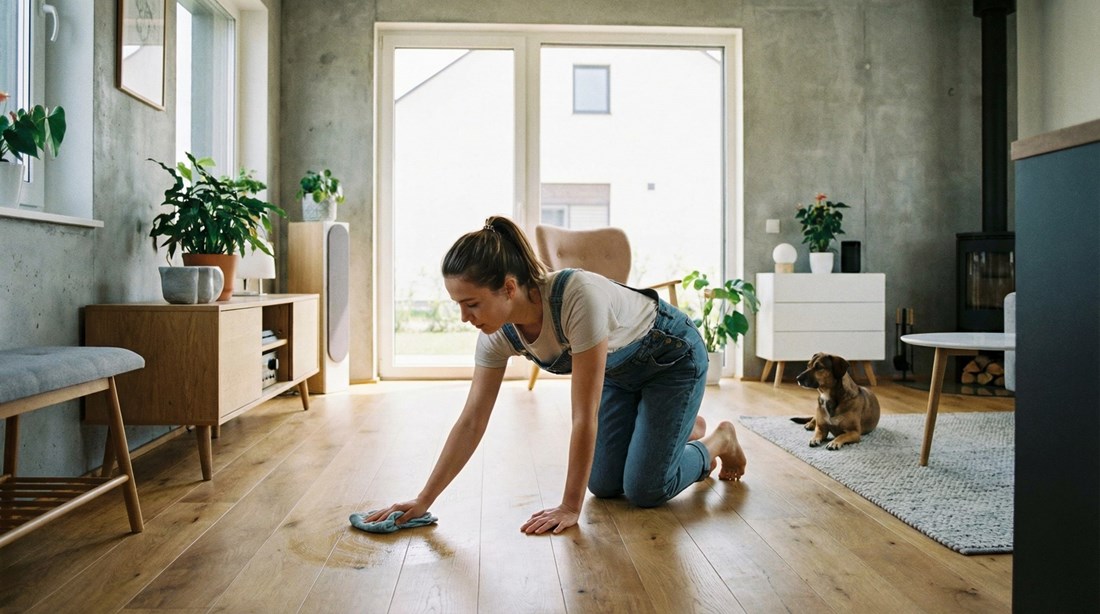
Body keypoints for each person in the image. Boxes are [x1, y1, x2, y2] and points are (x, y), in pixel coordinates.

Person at [365, 216, 746, 535]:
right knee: (605, 486)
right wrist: (423, 499)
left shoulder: (577, 297)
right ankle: (681, 427)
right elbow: (471, 421)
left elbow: (584, 416)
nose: (465, 318)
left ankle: (716, 440)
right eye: (459, 306)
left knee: (645, 490)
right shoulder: (498, 335)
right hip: (620, 373)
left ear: (509, 288)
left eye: (472, 304)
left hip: (673, 359)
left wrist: (568, 506)